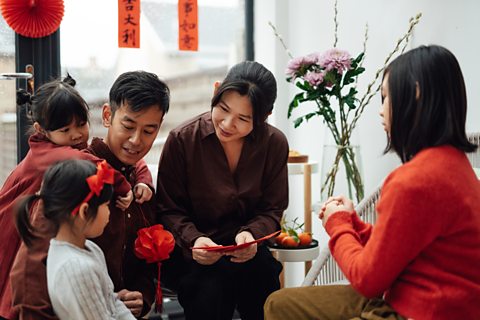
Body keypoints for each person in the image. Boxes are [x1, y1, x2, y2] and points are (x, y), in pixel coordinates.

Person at [264, 45, 480, 320]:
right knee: (279, 304)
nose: (381, 111)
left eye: (385, 97)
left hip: (417, 310)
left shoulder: (414, 180)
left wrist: (337, 223)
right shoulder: (457, 167)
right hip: (436, 303)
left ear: (415, 93)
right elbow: (395, 250)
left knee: (278, 306)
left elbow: (367, 280)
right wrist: (352, 221)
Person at [9, 71, 170, 319]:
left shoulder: (141, 187)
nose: (136, 140)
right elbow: (29, 270)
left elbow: (146, 266)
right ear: (107, 116)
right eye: (128, 126)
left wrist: (142, 296)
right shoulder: (74, 176)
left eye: (149, 131)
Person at [157, 61, 288, 320]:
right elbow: (168, 209)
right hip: (195, 255)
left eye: (243, 118)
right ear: (216, 91)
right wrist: (194, 239)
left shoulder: (274, 144)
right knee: (209, 293)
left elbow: (272, 209)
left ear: (264, 117)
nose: (228, 124)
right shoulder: (182, 139)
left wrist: (252, 235)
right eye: (223, 109)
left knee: (265, 287)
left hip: (248, 253)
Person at [15, 159, 136, 320]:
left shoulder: (90, 248)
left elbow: (112, 302)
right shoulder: (75, 268)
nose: (109, 213)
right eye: (106, 205)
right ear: (84, 212)